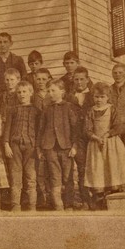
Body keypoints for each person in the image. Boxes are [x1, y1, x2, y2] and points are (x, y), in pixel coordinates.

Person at [83, 83, 125, 209]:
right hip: (95, 143)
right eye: (96, 97)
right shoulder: (91, 111)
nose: (99, 100)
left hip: (111, 143)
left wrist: (106, 135)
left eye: (102, 97)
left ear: (108, 97)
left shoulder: (112, 109)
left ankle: (114, 194)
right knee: (98, 168)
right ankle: (99, 197)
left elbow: (118, 126)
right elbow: (87, 129)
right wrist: (96, 137)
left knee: (112, 166)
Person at [37, 79, 80, 211]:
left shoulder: (68, 107)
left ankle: (68, 204)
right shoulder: (46, 109)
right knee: (54, 176)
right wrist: (39, 148)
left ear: (62, 91)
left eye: (53, 90)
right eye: (48, 91)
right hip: (50, 147)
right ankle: (58, 205)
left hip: (66, 147)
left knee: (67, 176)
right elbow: (41, 129)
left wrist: (74, 146)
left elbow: (75, 128)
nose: (50, 93)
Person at [1, 81, 40, 211]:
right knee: (15, 175)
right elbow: (7, 128)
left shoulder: (36, 111)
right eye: (19, 92)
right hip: (14, 146)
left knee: (31, 176)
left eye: (24, 92)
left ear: (31, 93)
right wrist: (6, 144)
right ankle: (15, 205)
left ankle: (32, 206)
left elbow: (39, 130)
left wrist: (38, 147)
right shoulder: (12, 110)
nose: (22, 94)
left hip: (31, 146)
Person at [69, 66, 94, 209]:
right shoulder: (69, 97)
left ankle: (97, 197)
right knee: (82, 168)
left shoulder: (94, 95)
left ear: (87, 80)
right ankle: (85, 200)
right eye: (76, 79)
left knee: (95, 167)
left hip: (92, 137)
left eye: (82, 79)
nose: (79, 82)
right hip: (77, 138)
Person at [31, 67, 53, 208]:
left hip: (50, 135)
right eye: (38, 79)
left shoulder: (52, 95)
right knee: (38, 168)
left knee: (51, 167)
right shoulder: (32, 96)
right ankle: (41, 197)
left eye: (44, 79)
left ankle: (52, 197)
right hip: (36, 134)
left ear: (48, 79)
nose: (40, 82)